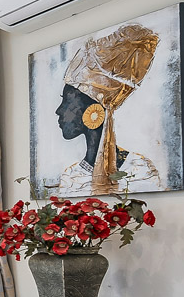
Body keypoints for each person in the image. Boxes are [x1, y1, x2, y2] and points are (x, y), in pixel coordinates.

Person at [52, 22, 163, 196]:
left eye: (66, 101)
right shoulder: (70, 177)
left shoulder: (140, 169)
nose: (58, 111)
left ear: (93, 111)